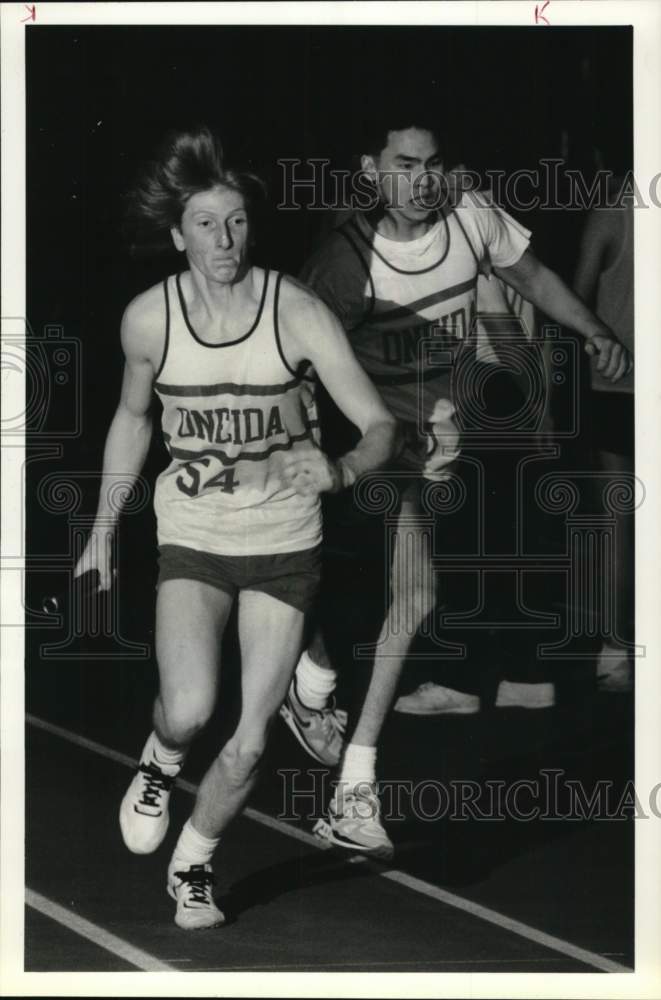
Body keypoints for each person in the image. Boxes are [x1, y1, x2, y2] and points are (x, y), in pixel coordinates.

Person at [279, 110, 633, 858]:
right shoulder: (345, 265)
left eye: (432, 162)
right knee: (303, 572)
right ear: (371, 170)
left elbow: (530, 276)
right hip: (356, 431)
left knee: (416, 597)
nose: (422, 179)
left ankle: (355, 785)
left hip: (425, 444)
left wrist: (593, 333)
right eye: (404, 163)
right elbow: (296, 366)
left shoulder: (469, 215)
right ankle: (309, 668)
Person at [74, 127, 398, 930]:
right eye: (207, 225)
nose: (225, 240)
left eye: (238, 222)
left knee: (250, 741)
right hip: (194, 536)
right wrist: (102, 531)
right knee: (186, 710)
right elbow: (131, 415)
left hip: (286, 544)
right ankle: (160, 760)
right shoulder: (150, 321)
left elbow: (378, 425)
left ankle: (194, 863)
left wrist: (343, 469)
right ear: (177, 234)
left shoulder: (296, 311)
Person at [573, 179, 634, 692]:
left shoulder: (614, 209)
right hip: (622, 387)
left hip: (618, 386)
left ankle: (616, 654)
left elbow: (577, 296)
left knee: (617, 522)